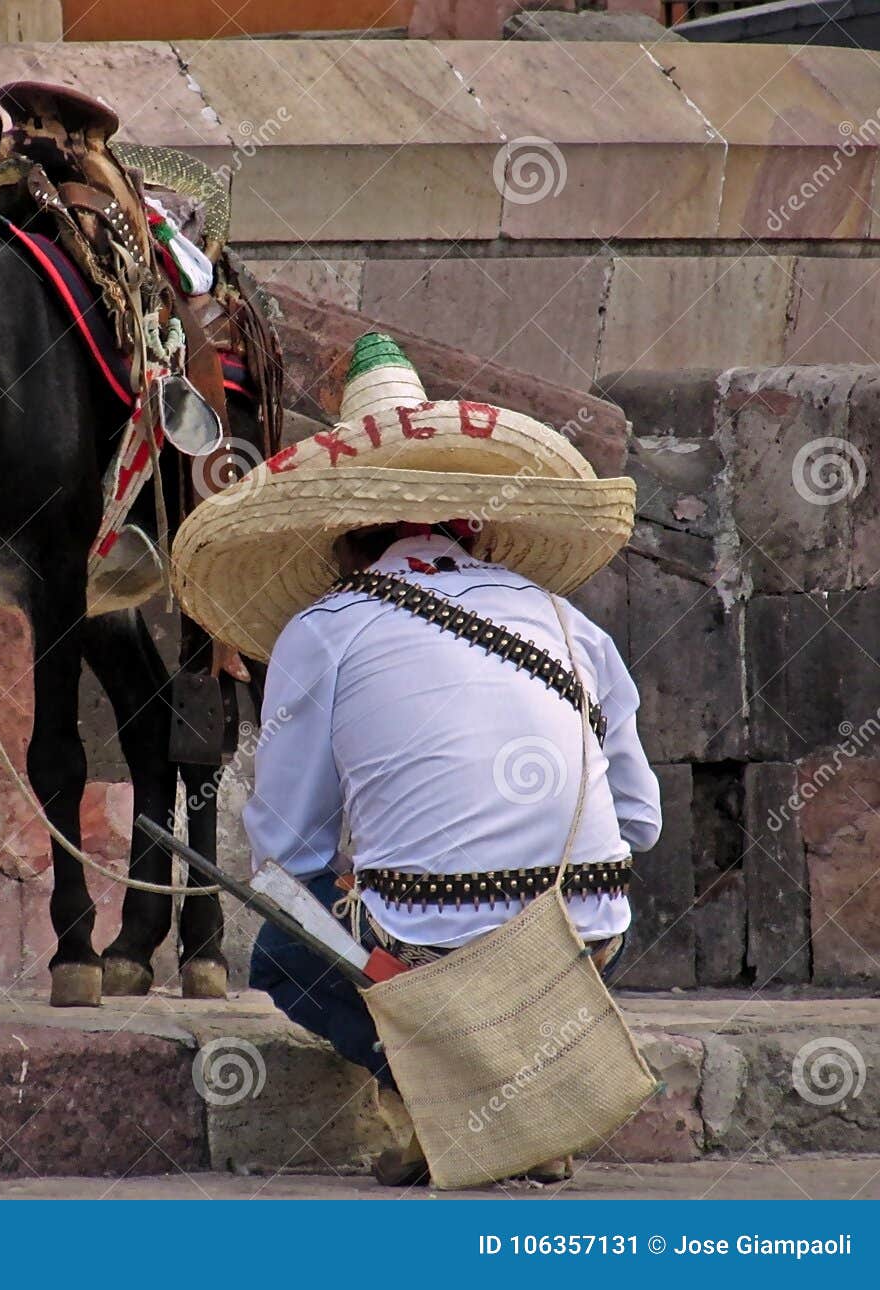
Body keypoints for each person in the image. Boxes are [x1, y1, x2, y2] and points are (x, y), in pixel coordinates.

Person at [170, 334, 662, 1187]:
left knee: (284, 942)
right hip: (590, 937)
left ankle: (456, 1107)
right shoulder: (567, 621)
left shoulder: (323, 630)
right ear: (476, 523)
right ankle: (532, 1096)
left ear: (346, 530)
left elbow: (289, 855)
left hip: (434, 950)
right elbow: (643, 822)